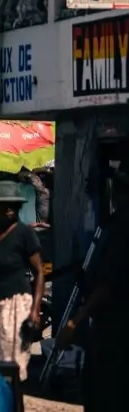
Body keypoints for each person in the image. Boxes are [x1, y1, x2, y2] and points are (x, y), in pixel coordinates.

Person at [56, 166, 129, 412]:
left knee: (106, 392)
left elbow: (107, 285)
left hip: (115, 329)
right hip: (110, 328)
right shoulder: (114, 224)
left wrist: (74, 322)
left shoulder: (121, 228)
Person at [0, 181, 44, 381]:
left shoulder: (25, 234)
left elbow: (39, 272)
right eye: (5, 206)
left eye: (13, 207)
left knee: (11, 364)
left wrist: (35, 310)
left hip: (14, 305)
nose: (9, 211)